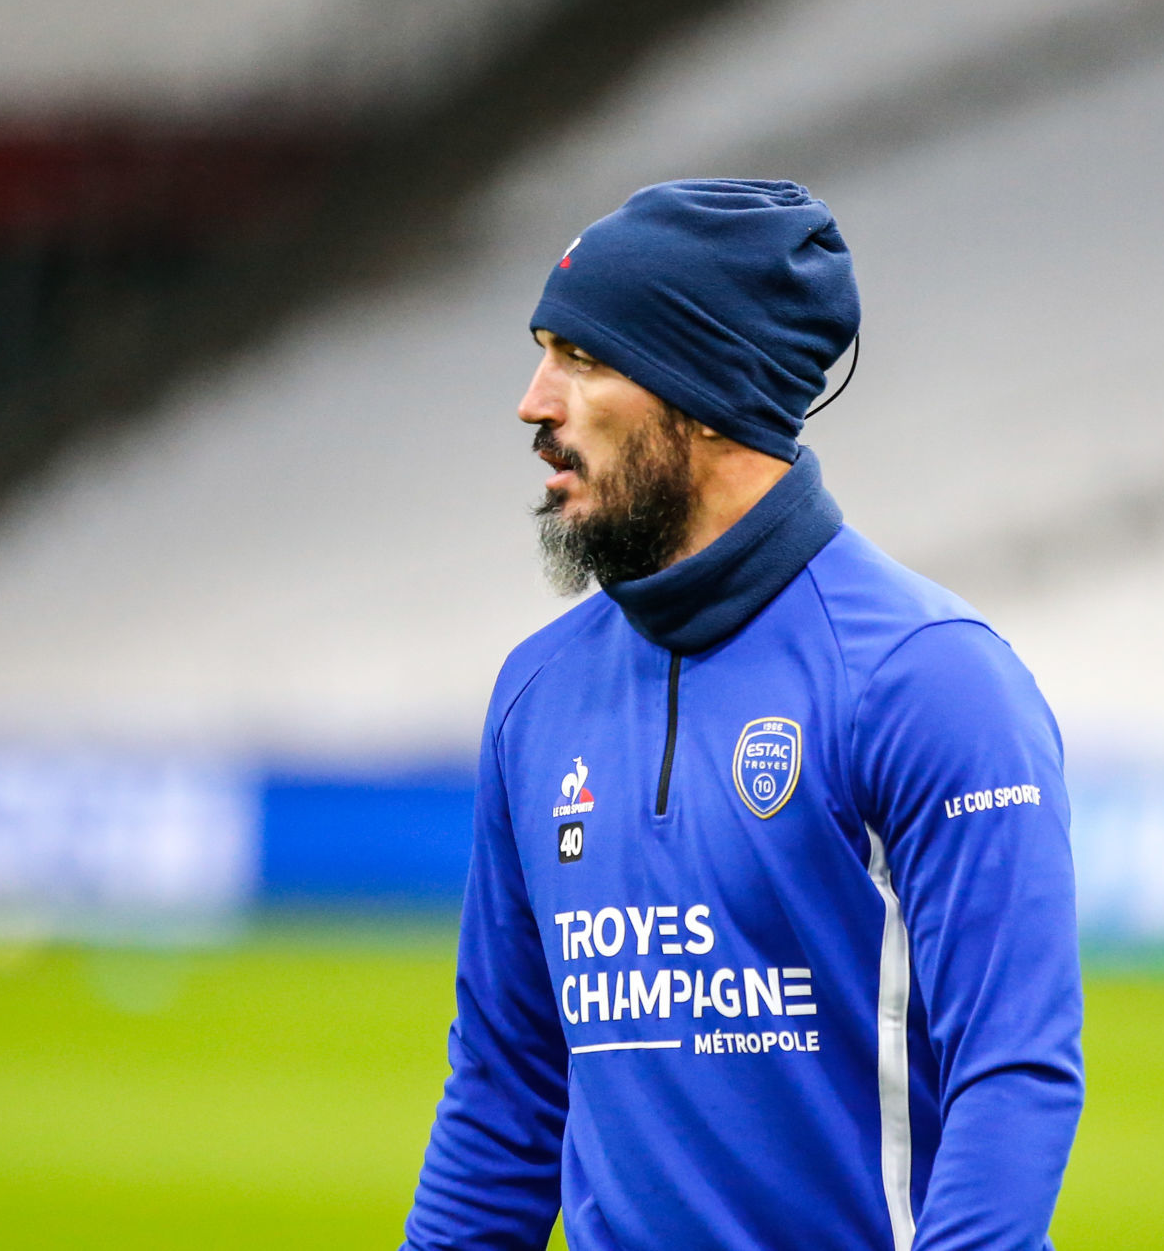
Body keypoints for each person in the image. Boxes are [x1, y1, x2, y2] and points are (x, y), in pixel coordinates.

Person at [401, 179, 1083, 1251]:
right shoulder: (535, 694)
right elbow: (505, 1095)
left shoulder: (925, 679)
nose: (534, 403)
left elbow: (1012, 1077)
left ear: (706, 392)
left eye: (582, 359)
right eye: (542, 355)